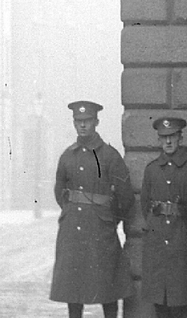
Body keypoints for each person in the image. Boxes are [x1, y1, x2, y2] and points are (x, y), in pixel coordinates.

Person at [49, 100, 133, 318]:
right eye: (78, 121)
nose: (83, 126)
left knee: (107, 286)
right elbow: (60, 192)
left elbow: (125, 197)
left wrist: (108, 219)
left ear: (96, 122)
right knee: (73, 288)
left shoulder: (109, 156)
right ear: (74, 123)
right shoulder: (68, 156)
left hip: (101, 232)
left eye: (87, 121)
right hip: (73, 232)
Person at [136, 116, 187, 318]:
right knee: (160, 304)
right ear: (158, 140)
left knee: (185, 304)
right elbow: (146, 205)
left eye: (172, 136)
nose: (168, 142)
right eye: (164, 138)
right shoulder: (152, 170)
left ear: (180, 138)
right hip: (158, 247)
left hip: (184, 247)